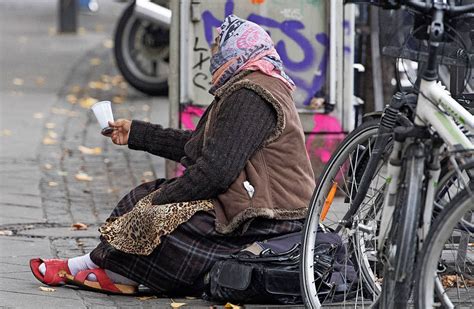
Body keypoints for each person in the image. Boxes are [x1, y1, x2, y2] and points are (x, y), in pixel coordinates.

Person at [29, 15, 315, 296]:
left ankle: (101, 270)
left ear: (237, 49)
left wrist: (160, 202)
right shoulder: (246, 85)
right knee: (141, 197)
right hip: (250, 202)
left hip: (269, 218)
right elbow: (202, 147)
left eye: (217, 45)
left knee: (161, 219)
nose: (212, 52)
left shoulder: (251, 94)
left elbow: (215, 173)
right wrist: (138, 134)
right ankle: (100, 268)